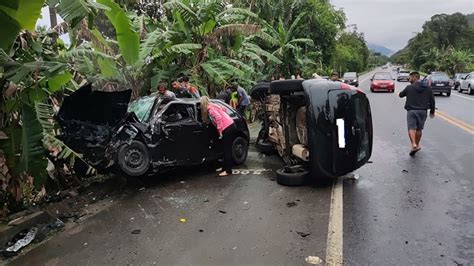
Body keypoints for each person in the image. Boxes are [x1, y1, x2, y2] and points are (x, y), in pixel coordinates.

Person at [399, 71, 435, 156]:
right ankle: (417, 145)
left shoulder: (409, 87)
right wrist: (432, 111)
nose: (409, 79)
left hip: (412, 111)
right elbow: (432, 100)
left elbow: (400, 95)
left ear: (415, 77)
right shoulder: (428, 88)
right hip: (423, 111)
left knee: (411, 128)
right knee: (419, 129)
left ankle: (413, 144)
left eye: (410, 77)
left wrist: (405, 92)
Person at [200, 96, 238, 177]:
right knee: (225, 148)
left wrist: (220, 130)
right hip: (231, 125)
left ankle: (228, 170)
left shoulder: (210, 109)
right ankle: (224, 167)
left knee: (227, 149)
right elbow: (223, 110)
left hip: (227, 128)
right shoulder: (214, 105)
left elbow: (218, 118)